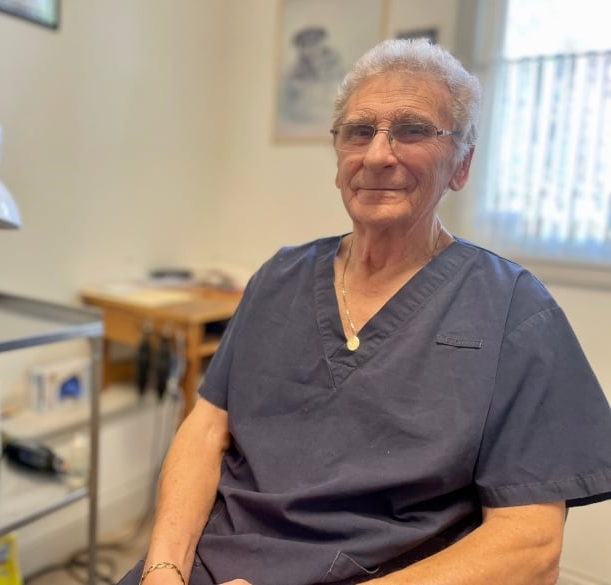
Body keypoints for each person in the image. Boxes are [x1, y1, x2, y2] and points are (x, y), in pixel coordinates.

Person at [119, 39, 611, 585]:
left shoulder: (514, 309)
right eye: (359, 131)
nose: (378, 154)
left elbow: (531, 546)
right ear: (338, 159)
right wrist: (163, 569)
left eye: (413, 129)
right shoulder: (278, 278)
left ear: (462, 163)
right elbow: (207, 426)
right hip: (214, 563)